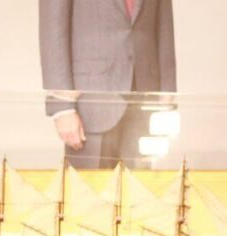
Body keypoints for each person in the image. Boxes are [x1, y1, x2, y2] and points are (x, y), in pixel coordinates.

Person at [38, 0, 176, 169]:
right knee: (89, 192)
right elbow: (52, 28)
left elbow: (164, 22)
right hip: (90, 103)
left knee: (140, 191)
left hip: (144, 100)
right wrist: (62, 107)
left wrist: (168, 96)